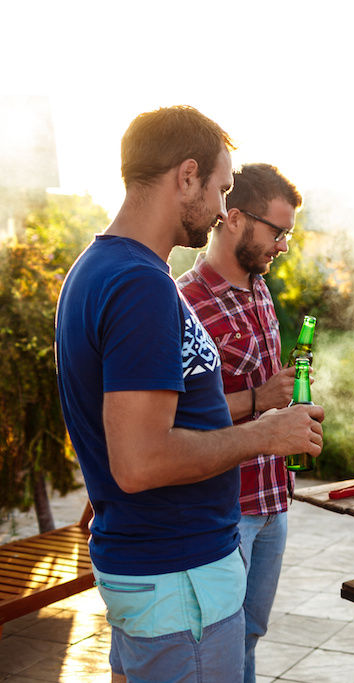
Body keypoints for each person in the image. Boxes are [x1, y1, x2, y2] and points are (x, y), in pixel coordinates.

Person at [54, 106, 324, 683]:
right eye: (222, 189)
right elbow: (139, 460)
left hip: (166, 578)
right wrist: (263, 432)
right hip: (179, 580)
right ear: (186, 175)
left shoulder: (103, 270)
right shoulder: (139, 285)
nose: (225, 210)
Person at [177, 163, 301, 683]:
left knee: (249, 635)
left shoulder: (259, 289)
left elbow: (266, 391)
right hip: (228, 510)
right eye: (278, 232)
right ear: (234, 219)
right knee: (219, 648)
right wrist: (258, 398)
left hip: (274, 502)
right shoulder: (185, 300)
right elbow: (177, 415)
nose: (282, 247)